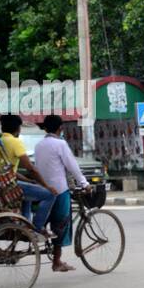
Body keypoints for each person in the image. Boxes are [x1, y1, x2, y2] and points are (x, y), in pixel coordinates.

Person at [32, 115, 89, 273]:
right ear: (60, 128)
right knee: (61, 225)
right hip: (59, 190)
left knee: (46, 222)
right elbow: (72, 166)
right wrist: (84, 183)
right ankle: (57, 261)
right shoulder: (60, 144)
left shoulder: (39, 145)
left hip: (42, 190)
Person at [0, 115, 56, 234]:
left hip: (1, 183)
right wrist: (46, 186)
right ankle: (37, 228)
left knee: (28, 193)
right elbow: (30, 168)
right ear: (18, 128)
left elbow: (9, 171)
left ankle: (25, 226)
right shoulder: (15, 142)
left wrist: (28, 180)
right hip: (10, 186)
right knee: (50, 195)